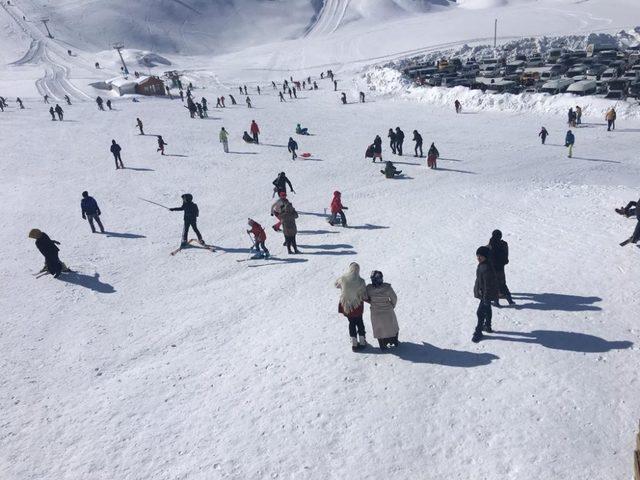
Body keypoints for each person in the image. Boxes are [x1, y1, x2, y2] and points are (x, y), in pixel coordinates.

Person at [335, 263, 368, 351]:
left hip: (347, 306)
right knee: (360, 322)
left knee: (351, 323)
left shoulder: (343, 278)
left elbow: (336, 285)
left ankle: (354, 343)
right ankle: (362, 341)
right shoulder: (361, 281)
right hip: (357, 306)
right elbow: (364, 295)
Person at [365, 271, 399, 349]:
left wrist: (372, 302)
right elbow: (394, 298)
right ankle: (394, 341)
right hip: (388, 311)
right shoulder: (387, 287)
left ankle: (382, 344)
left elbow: (365, 297)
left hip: (375, 312)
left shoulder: (369, 288)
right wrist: (391, 306)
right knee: (392, 326)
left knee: (379, 328)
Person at [472, 246, 500, 343]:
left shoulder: (486, 268)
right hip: (484, 294)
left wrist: (485, 298)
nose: (478, 258)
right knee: (487, 309)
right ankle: (487, 326)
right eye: (477, 256)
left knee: (480, 313)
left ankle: (478, 332)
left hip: (486, 294)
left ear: (486, 257)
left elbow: (488, 285)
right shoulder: (483, 265)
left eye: (481, 256)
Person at [487, 230, 514, 306]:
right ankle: (510, 300)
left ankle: (496, 302)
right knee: (502, 283)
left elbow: (486, 253)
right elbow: (506, 255)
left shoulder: (491, 243)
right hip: (501, 267)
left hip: (492, 267)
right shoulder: (504, 244)